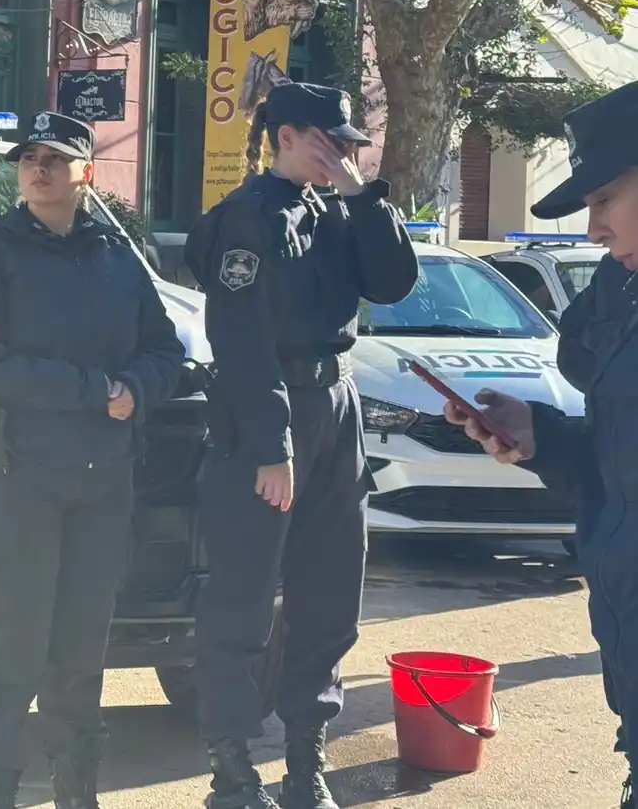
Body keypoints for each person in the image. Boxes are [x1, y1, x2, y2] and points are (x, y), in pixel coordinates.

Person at [0, 110, 187, 809]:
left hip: (102, 481)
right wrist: (88, 390)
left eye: (54, 158)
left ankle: (78, 792)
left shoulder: (117, 257)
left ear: (87, 172)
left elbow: (165, 349)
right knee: (12, 651)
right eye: (29, 159)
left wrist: (136, 388)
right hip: (16, 479)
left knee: (81, 651)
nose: (39, 169)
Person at [183, 83, 419, 809]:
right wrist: (268, 443)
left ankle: (304, 758)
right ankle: (231, 769)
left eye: (349, 142)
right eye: (332, 140)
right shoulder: (245, 217)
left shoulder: (339, 208)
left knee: (329, 590)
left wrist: (362, 194)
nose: (345, 152)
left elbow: (394, 281)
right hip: (267, 411)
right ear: (287, 137)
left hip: (335, 407)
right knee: (243, 597)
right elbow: (241, 340)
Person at [443, 81, 638, 809]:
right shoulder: (623, 295)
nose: (594, 229)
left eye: (605, 199)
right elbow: (617, 473)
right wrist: (539, 437)